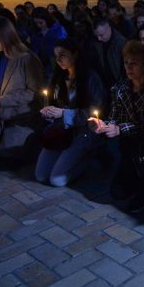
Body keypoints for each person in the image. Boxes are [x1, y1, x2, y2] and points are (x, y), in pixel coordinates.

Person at [92, 41, 144, 210]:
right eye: (126, 63)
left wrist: (119, 129)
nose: (129, 68)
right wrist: (103, 125)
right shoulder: (120, 88)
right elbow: (114, 116)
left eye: (134, 63)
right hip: (129, 145)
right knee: (118, 191)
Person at [35, 39, 106, 187]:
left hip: (83, 133)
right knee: (41, 176)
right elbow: (52, 103)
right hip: (61, 131)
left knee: (57, 180)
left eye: (63, 55)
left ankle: (87, 159)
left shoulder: (90, 78)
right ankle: (65, 158)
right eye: (56, 56)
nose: (58, 60)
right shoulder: (59, 78)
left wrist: (63, 114)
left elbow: (93, 113)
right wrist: (48, 112)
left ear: (75, 54)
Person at [0, 16, 43, 169]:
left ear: (8, 36)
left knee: (5, 162)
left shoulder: (27, 59)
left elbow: (34, 92)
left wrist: (3, 100)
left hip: (20, 116)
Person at [84, 18, 127, 95]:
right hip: (103, 83)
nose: (99, 38)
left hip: (118, 84)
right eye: (96, 35)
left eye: (101, 35)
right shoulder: (93, 42)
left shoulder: (121, 43)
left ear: (108, 28)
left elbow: (124, 69)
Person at [30, 7, 68, 80]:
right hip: (41, 64)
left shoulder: (58, 29)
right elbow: (34, 50)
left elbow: (65, 45)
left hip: (57, 62)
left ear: (47, 19)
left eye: (41, 22)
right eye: (36, 23)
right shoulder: (35, 34)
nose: (39, 25)